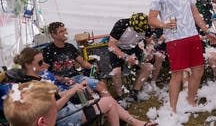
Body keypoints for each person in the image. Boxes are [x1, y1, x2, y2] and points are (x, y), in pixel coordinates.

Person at [14, 47, 157, 126]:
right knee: (108, 102)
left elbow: (57, 95)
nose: (45, 65)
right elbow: (52, 109)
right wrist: (72, 91)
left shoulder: (38, 78)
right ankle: (134, 122)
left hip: (67, 110)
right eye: (40, 63)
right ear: (27, 65)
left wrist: (74, 87)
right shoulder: (31, 86)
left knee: (106, 101)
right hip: (62, 118)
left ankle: (133, 121)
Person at [148, 0, 216, 113]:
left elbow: (195, 13)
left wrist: (207, 30)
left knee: (198, 70)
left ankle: (190, 100)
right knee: (177, 75)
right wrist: (164, 25)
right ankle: (172, 110)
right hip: (175, 39)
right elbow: (151, 19)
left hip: (192, 36)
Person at [43, 22, 108, 97]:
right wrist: (62, 79)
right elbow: (45, 72)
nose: (65, 33)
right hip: (60, 82)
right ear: (53, 35)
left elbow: (83, 63)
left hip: (76, 77)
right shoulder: (48, 50)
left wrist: (94, 68)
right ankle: (97, 106)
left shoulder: (70, 47)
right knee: (87, 92)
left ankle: (110, 105)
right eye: (61, 31)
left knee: (100, 85)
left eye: (65, 30)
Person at [108, 13, 154, 101]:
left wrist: (148, 52)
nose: (139, 32)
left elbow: (149, 42)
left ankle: (135, 92)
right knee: (116, 72)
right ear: (132, 24)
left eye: (141, 31)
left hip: (133, 48)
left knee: (148, 67)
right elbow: (111, 45)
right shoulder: (121, 24)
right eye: (137, 30)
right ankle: (121, 96)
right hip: (118, 48)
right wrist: (126, 57)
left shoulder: (147, 26)